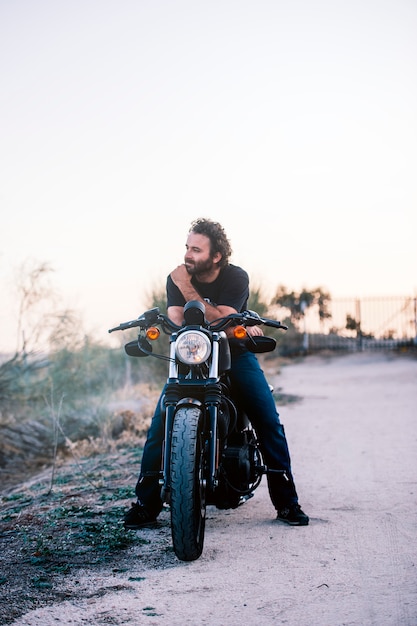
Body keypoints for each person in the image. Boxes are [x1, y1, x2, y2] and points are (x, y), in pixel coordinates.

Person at [124, 218, 309, 528]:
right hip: (191, 355)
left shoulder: (235, 277)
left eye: (196, 249)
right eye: (187, 247)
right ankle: (146, 504)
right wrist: (194, 304)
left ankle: (287, 502)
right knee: (159, 422)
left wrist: (188, 289)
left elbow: (225, 316)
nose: (188, 255)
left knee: (267, 418)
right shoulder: (175, 277)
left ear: (216, 256)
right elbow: (177, 318)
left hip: (234, 354)